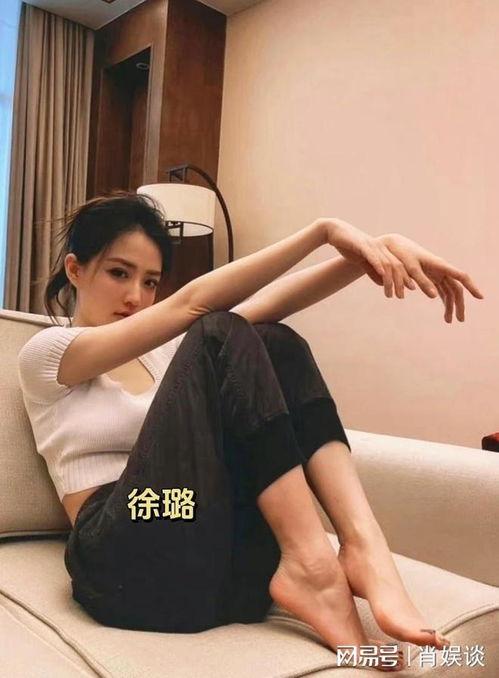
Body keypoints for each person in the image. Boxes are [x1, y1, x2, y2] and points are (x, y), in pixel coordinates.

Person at [17, 191, 483, 672]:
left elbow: (270, 303)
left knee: (275, 340)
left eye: (150, 281)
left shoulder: (164, 355)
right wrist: (321, 231)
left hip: (215, 567)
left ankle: (362, 545)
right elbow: (196, 306)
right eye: (119, 273)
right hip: (125, 558)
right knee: (219, 329)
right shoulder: (48, 354)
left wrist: (374, 252)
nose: (136, 295)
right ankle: (313, 567)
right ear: (75, 270)